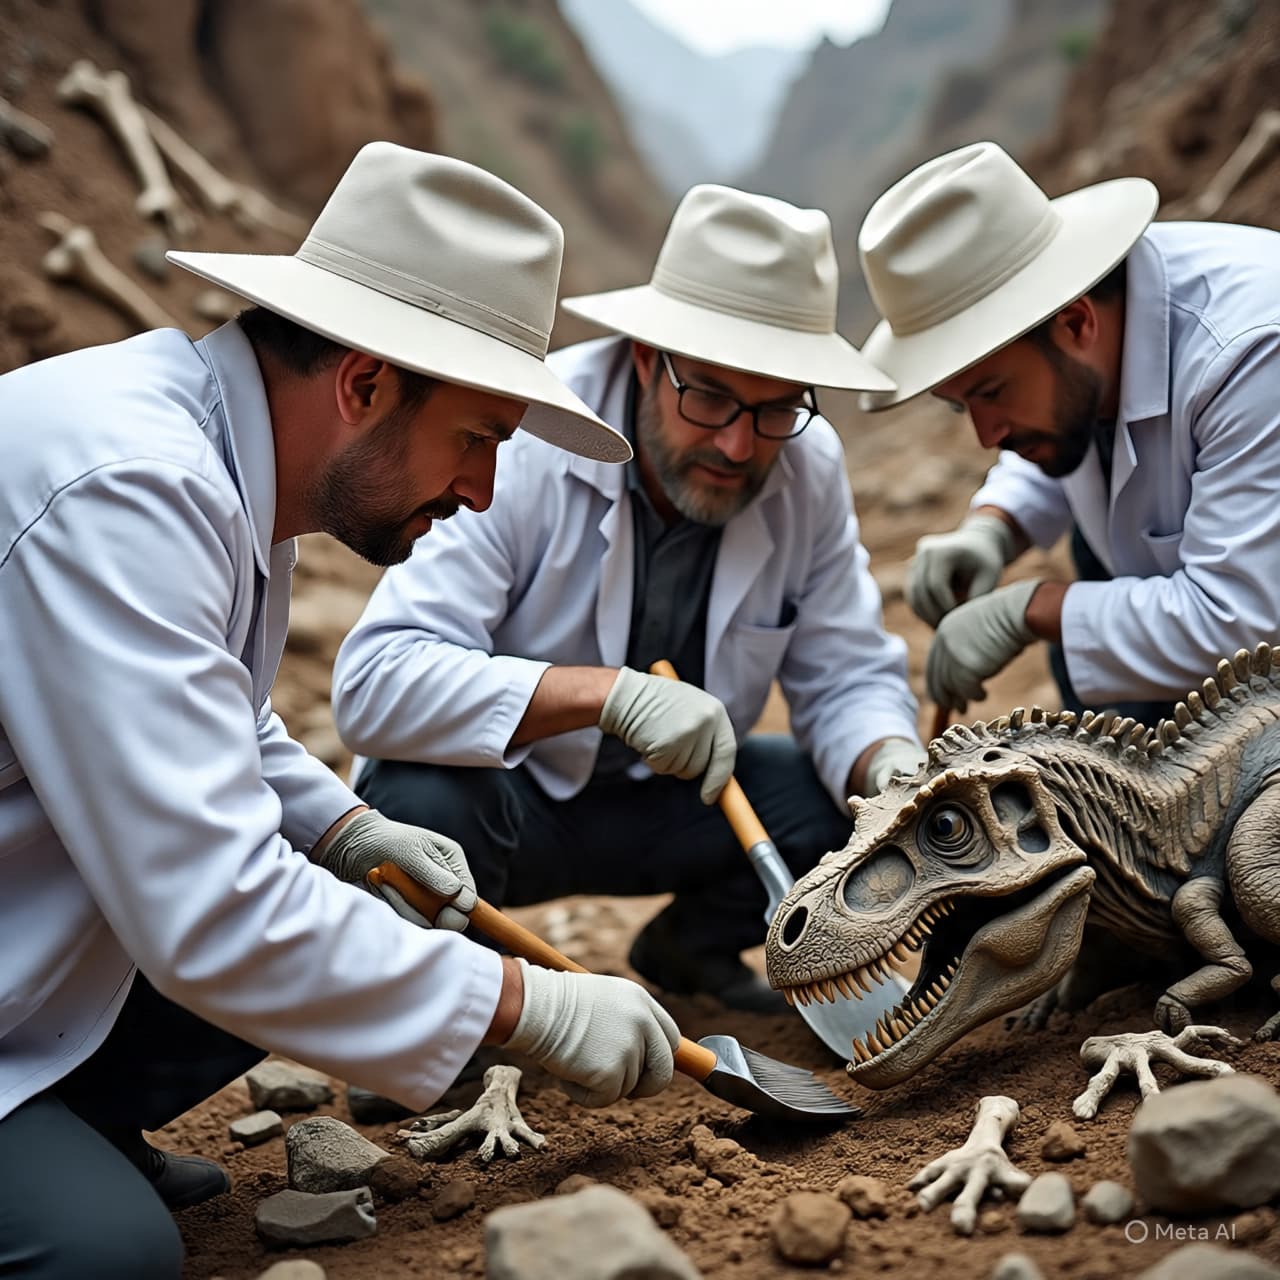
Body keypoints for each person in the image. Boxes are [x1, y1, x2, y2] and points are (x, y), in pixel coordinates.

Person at [0, 143, 681, 1280]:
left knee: (332, 892)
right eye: (479, 437)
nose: (479, 491)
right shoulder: (130, 485)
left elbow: (207, 711)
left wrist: (342, 829)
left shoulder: (211, 455)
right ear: (364, 382)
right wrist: (528, 1005)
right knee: (106, 1258)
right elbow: (207, 909)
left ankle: (83, 1127)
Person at [332, 183, 923, 1015]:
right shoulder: (525, 434)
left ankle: (690, 949)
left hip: (677, 811)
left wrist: (887, 766)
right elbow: (377, 683)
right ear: (647, 356)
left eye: (777, 406)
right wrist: (603, 696)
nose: (738, 443)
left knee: (841, 807)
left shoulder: (805, 463)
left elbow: (847, 674)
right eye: (710, 396)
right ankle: (437, 1008)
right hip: (514, 803)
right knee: (415, 796)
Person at [855, 141, 1280, 723]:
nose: (985, 436)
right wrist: (994, 527)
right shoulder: (1087, 341)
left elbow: (1241, 622)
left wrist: (1032, 608)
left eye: (991, 393)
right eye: (959, 407)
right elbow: (1054, 436)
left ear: (1076, 321)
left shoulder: (1251, 355)